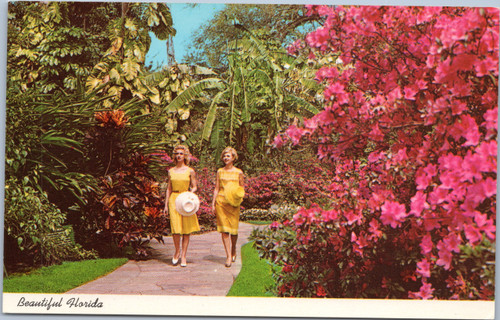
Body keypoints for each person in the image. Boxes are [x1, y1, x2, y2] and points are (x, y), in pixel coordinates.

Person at [164, 145, 200, 267]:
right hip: (174, 199)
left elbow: (194, 186)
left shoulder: (190, 171)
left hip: (185, 201)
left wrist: (190, 193)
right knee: (175, 229)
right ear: (174, 155)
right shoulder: (171, 171)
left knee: (186, 229)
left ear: (185, 156)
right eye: (177, 153)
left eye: (181, 153)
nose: (179, 155)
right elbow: (168, 189)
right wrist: (165, 205)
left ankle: (184, 255)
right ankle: (177, 251)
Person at [211, 147, 245, 268]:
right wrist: (213, 203)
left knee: (233, 231)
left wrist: (238, 199)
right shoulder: (220, 171)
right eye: (224, 156)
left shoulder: (239, 172)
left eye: (228, 156)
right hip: (221, 202)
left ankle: (234, 248)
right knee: (225, 231)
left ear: (233, 158)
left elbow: (241, 189)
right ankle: (228, 256)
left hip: (233, 204)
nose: (226, 158)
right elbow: (217, 188)